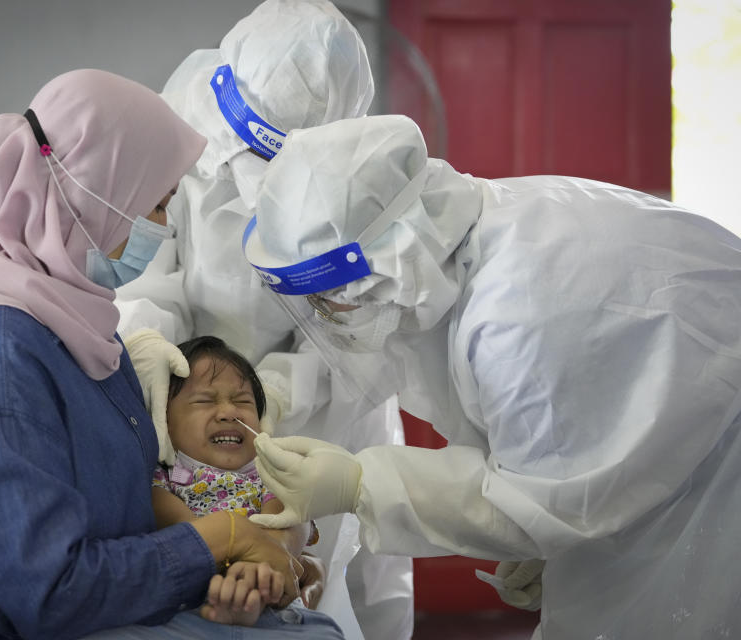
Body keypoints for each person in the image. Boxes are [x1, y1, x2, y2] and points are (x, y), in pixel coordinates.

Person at [0, 69, 352, 640]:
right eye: (154, 207)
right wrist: (219, 539)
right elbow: (47, 592)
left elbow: (120, 516)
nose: (164, 229)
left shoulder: (66, 321)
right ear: (90, 199)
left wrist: (253, 571)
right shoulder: (0, 356)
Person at [241, 113, 741, 639]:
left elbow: (535, 502)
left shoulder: (516, 314)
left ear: (378, 275)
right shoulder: (471, 231)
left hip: (715, 478)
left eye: (325, 299)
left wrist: (364, 486)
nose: (323, 313)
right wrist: (276, 385)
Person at [114, 2, 414, 637]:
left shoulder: (362, 188)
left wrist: (281, 390)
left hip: (322, 398)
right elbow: (147, 250)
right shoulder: (182, 128)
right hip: (185, 401)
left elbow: (364, 324)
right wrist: (143, 335)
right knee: (191, 560)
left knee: (343, 559)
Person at [151, 335, 330, 628]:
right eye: (204, 400)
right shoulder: (162, 477)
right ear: (163, 422)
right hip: (193, 589)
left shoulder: (269, 473)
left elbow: (286, 519)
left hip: (267, 583)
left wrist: (263, 561)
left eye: (243, 401)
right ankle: (232, 606)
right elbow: (184, 531)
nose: (229, 412)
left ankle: (249, 605)